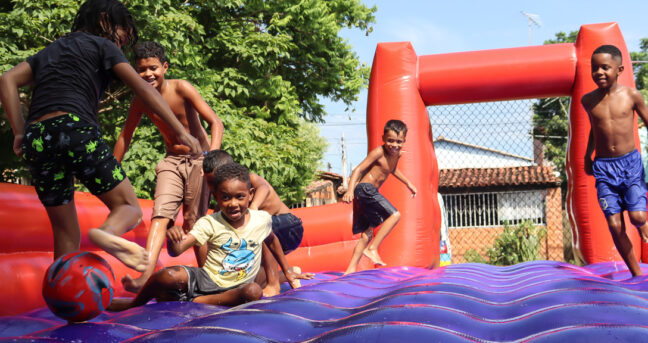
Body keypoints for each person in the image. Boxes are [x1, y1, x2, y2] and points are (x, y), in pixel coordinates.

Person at [0, 0, 202, 272]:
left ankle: (67, 304)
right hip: (74, 127)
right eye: (122, 35)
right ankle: (106, 232)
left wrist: (20, 131)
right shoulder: (103, 45)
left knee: (65, 232)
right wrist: (181, 133)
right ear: (105, 20)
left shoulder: (52, 50)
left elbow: (7, 80)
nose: (122, 44)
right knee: (128, 208)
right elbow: (144, 90)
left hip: (37, 137)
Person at [108, 162, 299, 310]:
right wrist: (173, 240)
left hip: (238, 287)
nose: (233, 203)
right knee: (167, 275)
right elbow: (177, 251)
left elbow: (272, 240)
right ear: (216, 197)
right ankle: (134, 303)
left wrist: (287, 269)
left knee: (253, 292)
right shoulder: (209, 222)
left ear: (250, 195)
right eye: (226, 197)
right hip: (207, 279)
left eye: (239, 197)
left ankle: (197, 300)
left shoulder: (261, 219)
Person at [114, 41, 224, 293]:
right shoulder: (141, 100)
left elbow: (215, 122)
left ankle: (209, 282)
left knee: (194, 222)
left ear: (164, 67)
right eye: (141, 70)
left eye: (153, 68)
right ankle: (144, 276)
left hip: (199, 159)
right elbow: (125, 136)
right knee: (160, 215)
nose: (148, 74)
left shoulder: (182, 88)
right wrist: (111, 170)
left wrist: (211, 159)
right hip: (171, 161)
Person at [202, 150, 313, 296]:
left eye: (214, 181)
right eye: (209, 183)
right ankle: (287, 274)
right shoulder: (223, 203)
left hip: (287, 225)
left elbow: (264, 188)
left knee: (257, 227)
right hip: (273, 236)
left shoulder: (250, 179)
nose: (212, 187)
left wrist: (253, 208)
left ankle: (274, 285)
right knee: (252, 270)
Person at [582, 44, 648, 277]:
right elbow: (594, 128)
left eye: (605, 67)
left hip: (629, 164)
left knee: (638, 217)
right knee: (614, 224)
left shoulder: (631, 96)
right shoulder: (588, 101)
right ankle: (636, 273)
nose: (599, 72)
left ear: (619, 69)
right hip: (603, 168)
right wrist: (587, 155)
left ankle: (643, 224)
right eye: (594, 68)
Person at [342, 119, 417, 275]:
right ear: (383, 139)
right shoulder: (378, 152)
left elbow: (392, 170)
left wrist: (408, 183)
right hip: (365, 189)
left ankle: (350, 270)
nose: (394, 145)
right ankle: (373, 248)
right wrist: (350, 190)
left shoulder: (396, 156)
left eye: (399, 142)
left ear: (404, 141)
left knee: (367, 234)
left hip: (368, 193)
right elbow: (358, 169)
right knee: (395, 215)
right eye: (390, 141)